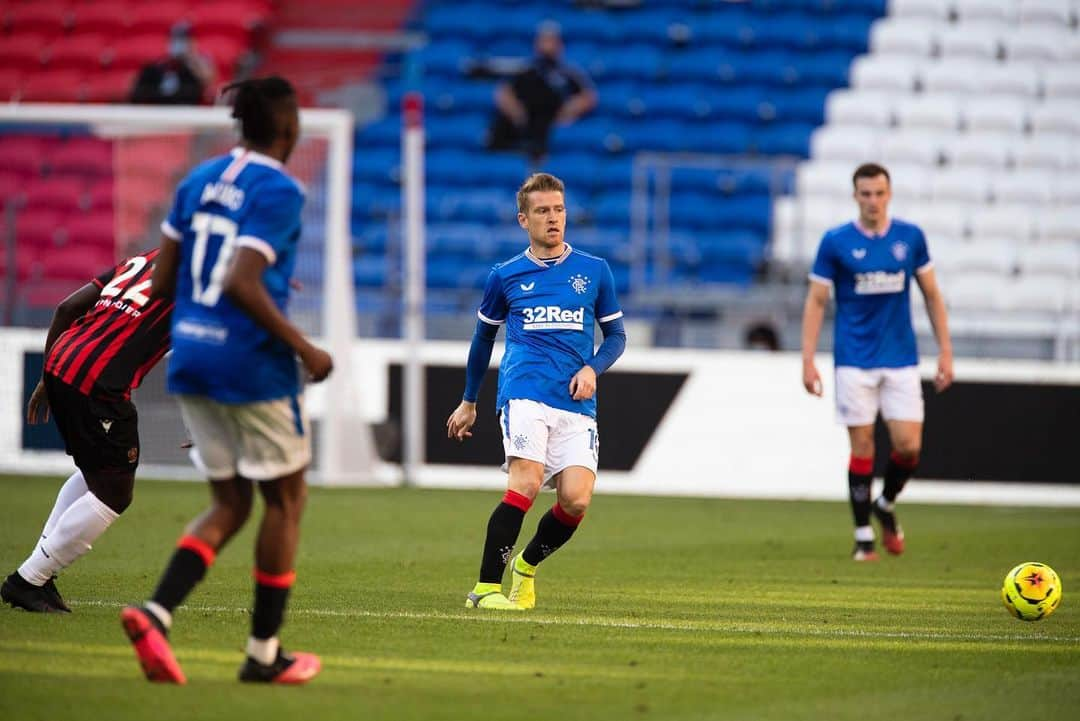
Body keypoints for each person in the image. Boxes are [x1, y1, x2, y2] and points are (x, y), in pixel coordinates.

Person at [120, 76, 333, 686]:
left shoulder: (195, 180)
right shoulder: (280, 189)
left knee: (230, 501)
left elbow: (162, 284)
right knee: (286, 499)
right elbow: (241, 281)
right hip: (250, 365)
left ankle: (155, 613)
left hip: (189, 356)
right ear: (288, 129)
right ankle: (265, 654)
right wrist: (305, 347)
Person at [447, 172, 626, 610]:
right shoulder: (505, 276)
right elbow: (482, 340)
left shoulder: (594, 271)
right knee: (524, 484)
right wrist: (470, 400)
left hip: (577, 401)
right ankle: (486, 588)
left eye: (559, 209)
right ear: (523, 219)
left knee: (577, 501)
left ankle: (525, 568)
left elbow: (617, 336)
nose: (553, 218)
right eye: (543, 211)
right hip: (524, 392)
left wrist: (593, 367)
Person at [1, 250, 173, 613]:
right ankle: (27, 579)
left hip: (63, 362)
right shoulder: (200, 280)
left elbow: (66, 308)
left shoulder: (143, 259)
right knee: (114, 493)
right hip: (99, 383)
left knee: (95, 473)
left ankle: (40, 576)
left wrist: (47, 377)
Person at [800, 162, 953, 562]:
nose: (872, 200)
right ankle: (863, 536)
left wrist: (946, 352)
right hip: (853, 359)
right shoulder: (835, 242)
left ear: (889, 194)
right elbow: (817, 301)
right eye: (865, 193)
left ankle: (885, 504)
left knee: (908, 448)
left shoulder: (910, 238)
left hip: (901, 358)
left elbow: (932, 295)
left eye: (879, 193)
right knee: (863, 444)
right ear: (855, 196)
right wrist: (808, 360)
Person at [485, 22, 597, 163]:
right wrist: (517, 113)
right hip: (523, 124)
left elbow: (588, 96)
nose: (547, 45)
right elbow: (503, 92)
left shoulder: (567, 73)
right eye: (543, 40)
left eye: (551, 41)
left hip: (548, 127)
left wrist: (568, 111)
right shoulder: (525, 70)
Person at [129, 21, 216, 105]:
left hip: (188, 111)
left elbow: (208, 81)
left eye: (184, 40)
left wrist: (191, 58)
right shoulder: (158, 66)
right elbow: (136, 91)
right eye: (176, 40)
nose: (179, 45)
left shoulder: (198, 63)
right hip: (160, 110)